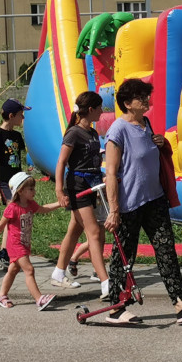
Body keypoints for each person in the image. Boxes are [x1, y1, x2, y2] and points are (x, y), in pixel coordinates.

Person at [103, 78, 182, 325]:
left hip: (155, 200)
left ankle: (181, 305)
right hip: (129, 205)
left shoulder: (146, 124)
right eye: (141, 97)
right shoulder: (117, 131)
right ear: (128, 103)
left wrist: (161, 143)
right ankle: (116, 308)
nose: (146, 101)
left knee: (166, 252)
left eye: (146, 96)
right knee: (123, 257)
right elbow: (111, 172)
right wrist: (114, 209)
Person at [52, 91, 109, 297]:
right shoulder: (74, 133)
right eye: (100, 108)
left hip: (93, 185)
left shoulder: (93, 134)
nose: (103, 112)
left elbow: (92, 162)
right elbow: (61, 162)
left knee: (74, 231)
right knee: (94, 233)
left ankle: (58, 274)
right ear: (91, 110)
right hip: (77, 186)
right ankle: (105, 282)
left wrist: (103, 176)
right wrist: (59, 190)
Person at [0, 171, 59, 311]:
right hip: (15, 245)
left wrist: (59, 204)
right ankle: (39, 299)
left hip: (24, 244)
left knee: (13, 270)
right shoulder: (12, 208)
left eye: (33, 188)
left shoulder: (30, 204)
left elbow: (44, 209)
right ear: (21, 190)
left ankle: (1, 295)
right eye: (31, 189)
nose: (34, 191)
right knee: (29, 269)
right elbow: (0, 226)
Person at [0, 98, 31, 270]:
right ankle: (5, 253)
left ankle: (5, 252)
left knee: (14, 215)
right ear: (11, 116)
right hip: (4, 182)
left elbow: (19, 159)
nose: (23, 118)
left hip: (18, 181)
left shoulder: (17, 136)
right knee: (12, 214)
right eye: (21, 115)